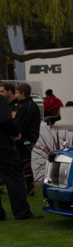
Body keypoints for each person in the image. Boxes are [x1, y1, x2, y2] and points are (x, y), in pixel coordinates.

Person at [0, 82, 40, 220]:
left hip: (18, 141)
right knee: (15, 177)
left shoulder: (25, 106)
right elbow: (6, 119)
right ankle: (21, 212)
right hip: (3, 144)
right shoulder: (7, 103)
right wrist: (15, 132)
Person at [12, 83, 40, 194]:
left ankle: (30, 190)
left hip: (26, 139)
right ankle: (28, 189)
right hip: (28, 138)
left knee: (25, 163)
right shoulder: (27, 105)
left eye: (17, 93)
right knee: (24, 163)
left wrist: (14, 119)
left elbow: (19, 125)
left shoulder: (26, 107)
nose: (16, 95)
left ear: (23, 93)